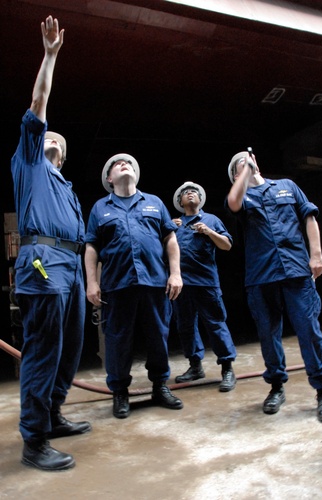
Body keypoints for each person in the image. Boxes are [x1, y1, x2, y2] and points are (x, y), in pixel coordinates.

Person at [11, 16, 91, 471]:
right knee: (44, 350)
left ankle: (54, 414)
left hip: (73, 267)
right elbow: (39, 102)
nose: (51, 136)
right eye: (48, 133)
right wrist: (50, 55)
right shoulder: (30, 163)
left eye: (59, 137)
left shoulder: (66, 186)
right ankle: (35, 440)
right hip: (42, 263)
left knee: (70, 348)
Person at [226, 149, 322, 422]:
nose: (246, 162)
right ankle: (276, 387)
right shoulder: (241, 195)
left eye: (248, 159)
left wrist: (317, 253)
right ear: (235, 175)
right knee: (268, 333)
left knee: (308, 330)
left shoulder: (286, 186)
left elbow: (309, 217)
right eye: (239, 164)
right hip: (261, 276)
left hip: (296, 270)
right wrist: (243, 174)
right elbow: (233, 202)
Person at [84, 153, 184, 419]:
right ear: (109, 178)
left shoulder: (153, 203)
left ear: (136, 175)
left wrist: (175, 274)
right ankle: (119, 392)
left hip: (154, 283)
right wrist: (91, 282)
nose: (123, 164)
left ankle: (160, 387)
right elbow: (91, 246)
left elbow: (170, 240)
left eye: (128, 163)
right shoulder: (100, 208)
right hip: (117, 286)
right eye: (116, 164)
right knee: (117, 341)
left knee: (158, 337)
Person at [171, 181, 237, 391]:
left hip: (206, 283)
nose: (190, 193)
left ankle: (227, 368)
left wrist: (209, 231)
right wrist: (168, 228)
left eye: (194, 192)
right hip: (181, 285)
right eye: (185, 193)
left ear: (200, 199)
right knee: (186, 326)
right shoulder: (175, 224)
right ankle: (195, 366)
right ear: (180, 202)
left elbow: (226, 245)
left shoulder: (211, 220)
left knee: (216, 324)